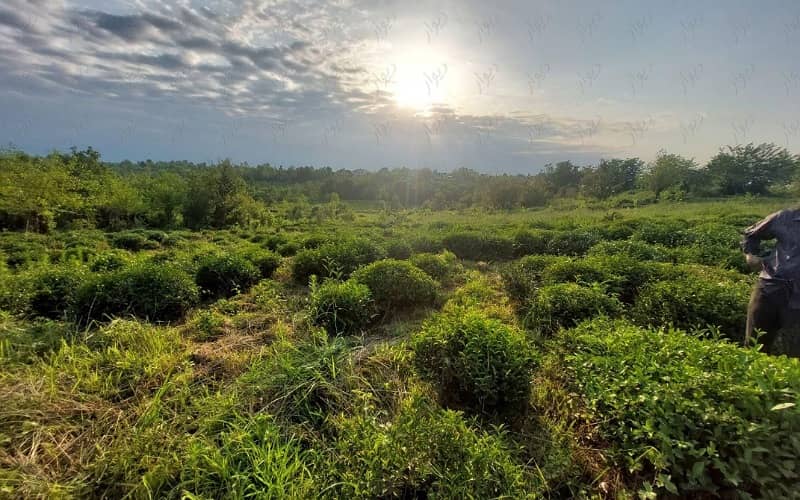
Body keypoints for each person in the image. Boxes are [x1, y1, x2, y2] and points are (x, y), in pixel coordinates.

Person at [741, 208, 800, 354]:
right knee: (754, 347)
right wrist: (750, 254)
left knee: (793, 353)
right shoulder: (785, 217)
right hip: (770, 287)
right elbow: (751, 234)